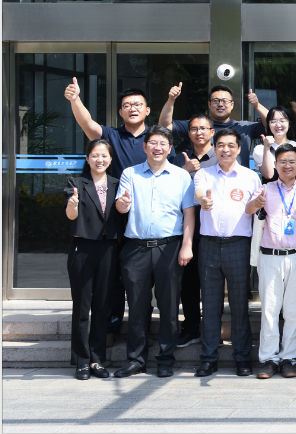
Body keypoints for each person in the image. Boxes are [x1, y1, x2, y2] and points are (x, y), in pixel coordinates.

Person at [64, 80, 183, 333]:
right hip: (116, 217)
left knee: (151, 283)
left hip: (150, 222)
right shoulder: (112, 136)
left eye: (138, 104)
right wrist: (75, 100)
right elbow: (87, 124)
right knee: (114, 276)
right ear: (120, 111)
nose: (132, 108)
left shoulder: (156, 140)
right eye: (127, 105)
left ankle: (147, 331)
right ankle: (112, 326)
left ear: (147, 110)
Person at [112, 126, 196, 378]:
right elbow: (121, 206)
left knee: (169, 307)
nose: (157, 148)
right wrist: (122, 204)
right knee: (137, 307)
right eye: (153, 143)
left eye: (163, 144)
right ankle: (136, 360)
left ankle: (165, 359)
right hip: (135, 249)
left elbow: (189, 213)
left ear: (169, 149)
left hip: (169, 247)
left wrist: (187, 245)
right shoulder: (130, 173)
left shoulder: (181, 176)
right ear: (145, 146)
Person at [192, 128, 260, 378]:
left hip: (238, 245)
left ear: (239, 149)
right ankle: (208, 358)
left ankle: (242, 357)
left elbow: (255, 207)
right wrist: (204, 200)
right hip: (209, 244)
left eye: (231, 145)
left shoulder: (250, 177)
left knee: (240, 304)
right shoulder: (204, 173)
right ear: (214, 148)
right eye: (220, 145)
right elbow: (199, 193)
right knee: (211, 305)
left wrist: (256, 204)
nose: (225, 149)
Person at [245, 144, 296, 379]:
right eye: (283, 161)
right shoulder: (265, 189)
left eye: (292, 161)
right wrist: (255, 204)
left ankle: (288, 358)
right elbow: (248, 210)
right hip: (270, 256)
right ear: (275, 164)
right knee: (269, 310)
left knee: (294, 311)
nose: (287, 166)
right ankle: (269, 359)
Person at [64, 139, 122, 380]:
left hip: (108, 248)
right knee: (82, 307)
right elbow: (71, 216)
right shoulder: (76, 183)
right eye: (95, 155)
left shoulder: (118, 183)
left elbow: (122, 212)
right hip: (83, 247)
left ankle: (97, 359)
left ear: (110, 159)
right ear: (87, 159)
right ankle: (81, 361)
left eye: (104, 155)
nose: (100, 159)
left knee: (102, 306)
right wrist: (73, 204)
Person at [175, 113, 219, 350]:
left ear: (212, 132)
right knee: (189, 282)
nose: (199, 132)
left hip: (215, 230)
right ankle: (191, 327)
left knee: (213, 283)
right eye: (194, 129)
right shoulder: (177, 158)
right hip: (187, 230)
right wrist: (184, 170)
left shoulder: (222, 157)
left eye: (203, 128)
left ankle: (213, 330)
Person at [161, 83, 268, 167]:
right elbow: (164, 127)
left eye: (225, 101)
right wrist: (171, 100)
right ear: (209, 104)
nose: (220, 104)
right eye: (216, 101)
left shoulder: (246, 128)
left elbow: (272, 124)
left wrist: (257, 105)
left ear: (232, 105)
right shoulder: (197, 126)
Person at [254, 106, 296, 182]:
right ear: (268, 125)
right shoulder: (260, 149)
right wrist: (266, 148)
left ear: (289, 123)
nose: (278, 125)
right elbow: (268, 175)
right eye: (273, 121)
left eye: (282, 121)